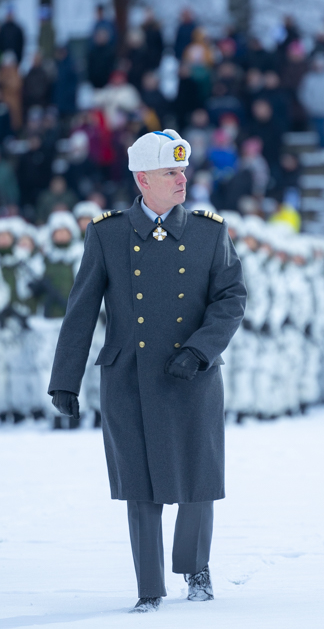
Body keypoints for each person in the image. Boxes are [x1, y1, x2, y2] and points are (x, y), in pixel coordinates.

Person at [48, 129, 247, 613]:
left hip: (193, 375)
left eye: (183, 170)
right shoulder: (108, 233)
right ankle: (149, 586)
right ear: (143, 180)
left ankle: (195, 568)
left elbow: (231, 299)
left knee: (199, 477)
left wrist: (199, 350)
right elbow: (81, 310)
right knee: (140, 485)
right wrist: (64, 380)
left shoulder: (208, 232)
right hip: (130, 378)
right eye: (170, 172)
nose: (182, 180)